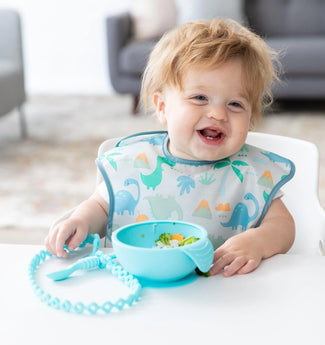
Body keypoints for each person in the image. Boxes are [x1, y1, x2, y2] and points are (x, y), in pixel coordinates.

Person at [45, 18, 295, 277]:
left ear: (251, 118)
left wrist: (258, 241)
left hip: (224, 293)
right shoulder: (135, 163)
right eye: (200, 98)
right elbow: (101, 207)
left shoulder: (253, 173)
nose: (218, 114)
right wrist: (81, 222)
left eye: (235, 104)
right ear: (163, 107)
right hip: (142, 288)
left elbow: (283, 225)